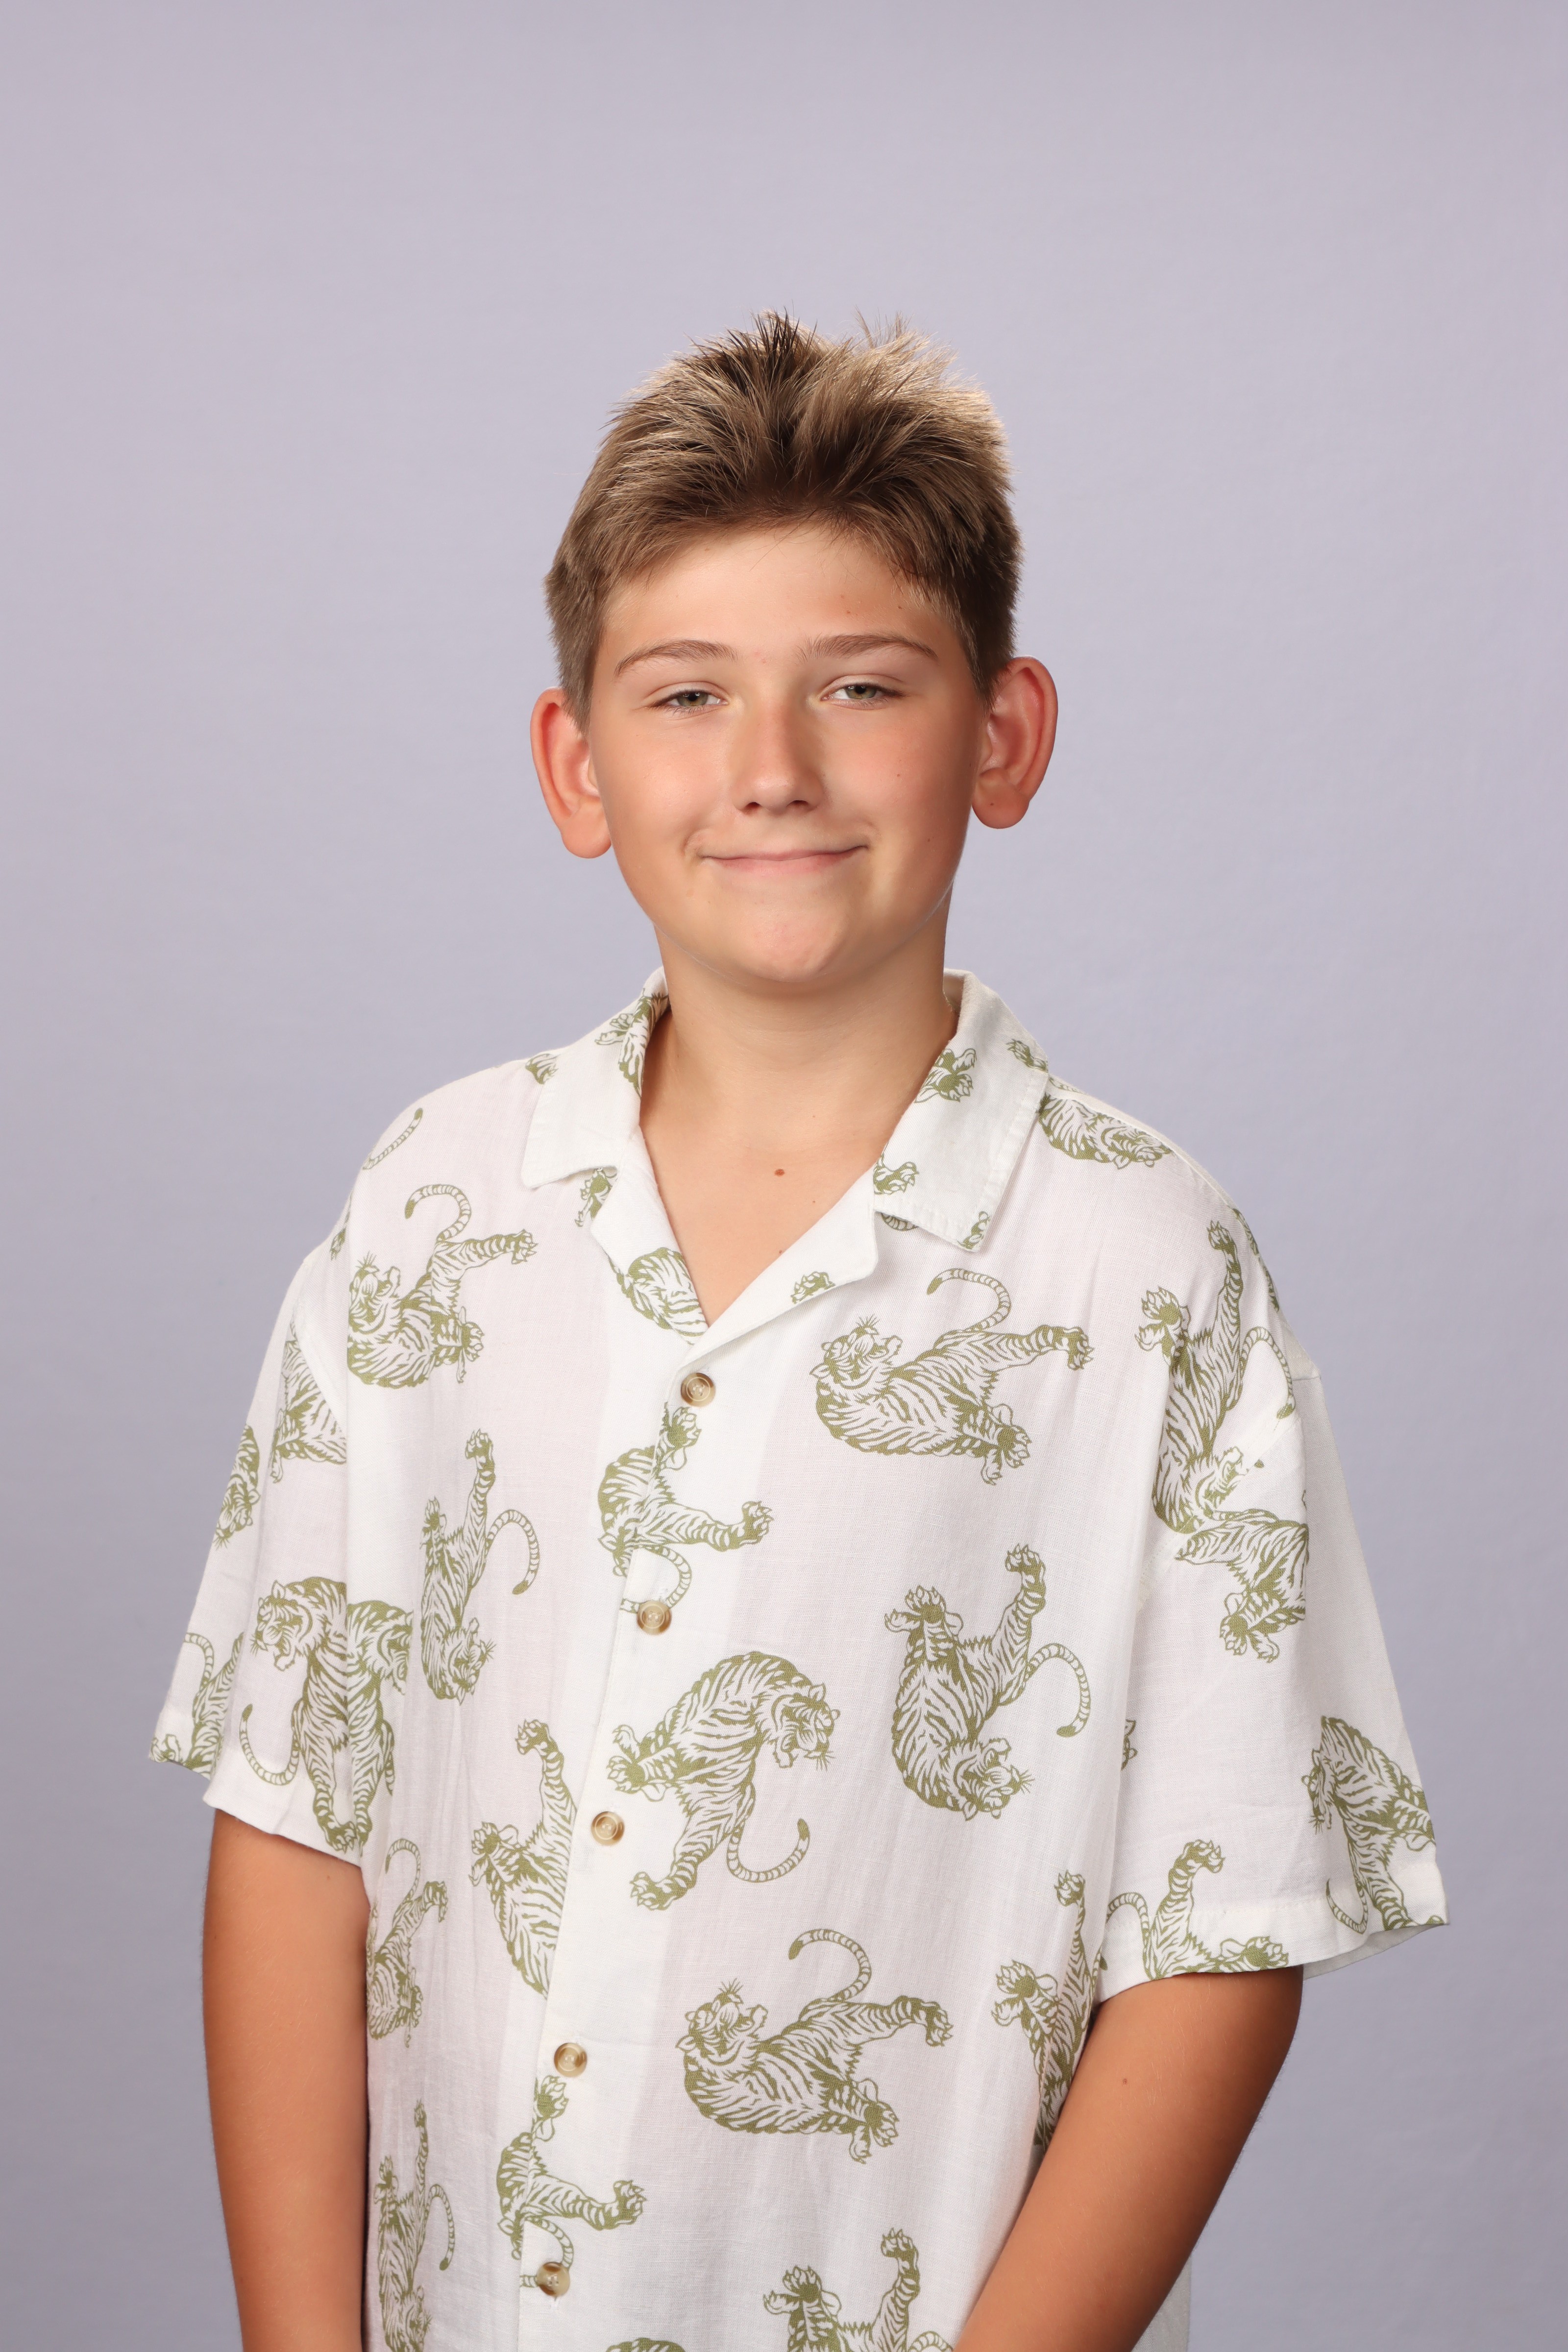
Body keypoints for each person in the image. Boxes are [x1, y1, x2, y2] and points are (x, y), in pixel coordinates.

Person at [153, 315, 1446, 2352]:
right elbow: (297, 1823)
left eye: (859, 685)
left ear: (1001, 734)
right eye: (687, 695)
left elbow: (1217, 1933)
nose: (771, 766)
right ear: (576, 766)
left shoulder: (1147, 1274)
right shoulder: (433, 1207)